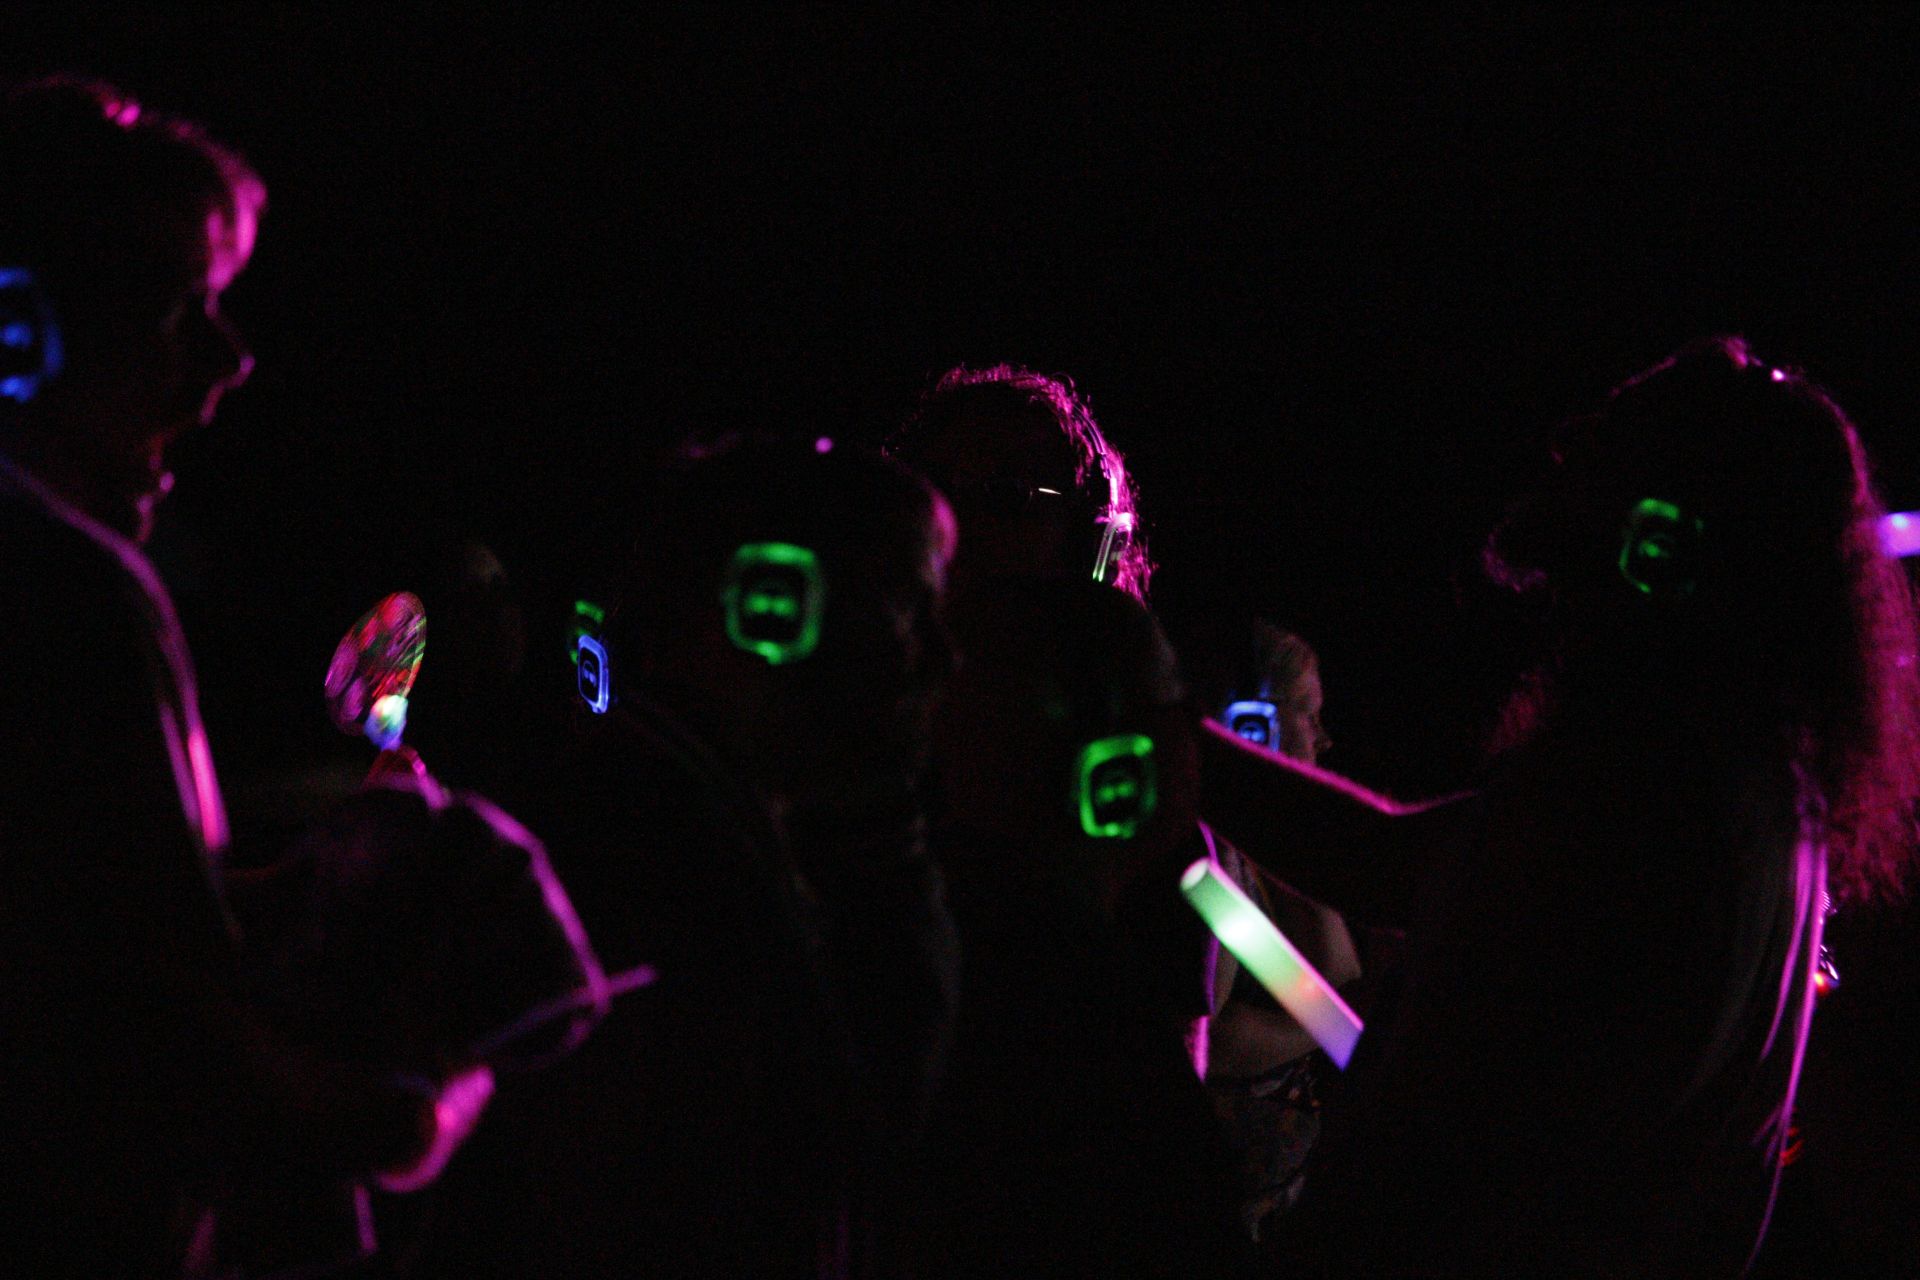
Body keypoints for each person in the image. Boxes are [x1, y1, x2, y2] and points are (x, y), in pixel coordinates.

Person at [0, 78, 594, 1277]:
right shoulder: (70, 590)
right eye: (180, 307)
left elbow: (84, 939)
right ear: (20, 332)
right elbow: (182, 1052)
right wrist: (445, 1069)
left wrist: (280, 890)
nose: (231, 360)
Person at [1197, 338, 1920, 1275]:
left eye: (1607, 444)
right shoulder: (1751, 778)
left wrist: (1156, 724)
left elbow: (1385, 863)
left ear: (1660, 544)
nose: (1565, 450)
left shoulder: (1660, 778)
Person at [414, 438, 961, 1279]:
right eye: (911, 610)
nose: (942, 659)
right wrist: (889, 836)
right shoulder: (649, 854)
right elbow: (847, 1133)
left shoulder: (674, 814)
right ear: (772, 603)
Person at [915, 576, 1257, 1279]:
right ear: (1116, 769)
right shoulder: (1088, 1027)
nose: (1202, 739)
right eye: (1178, 708)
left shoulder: (926, 955)